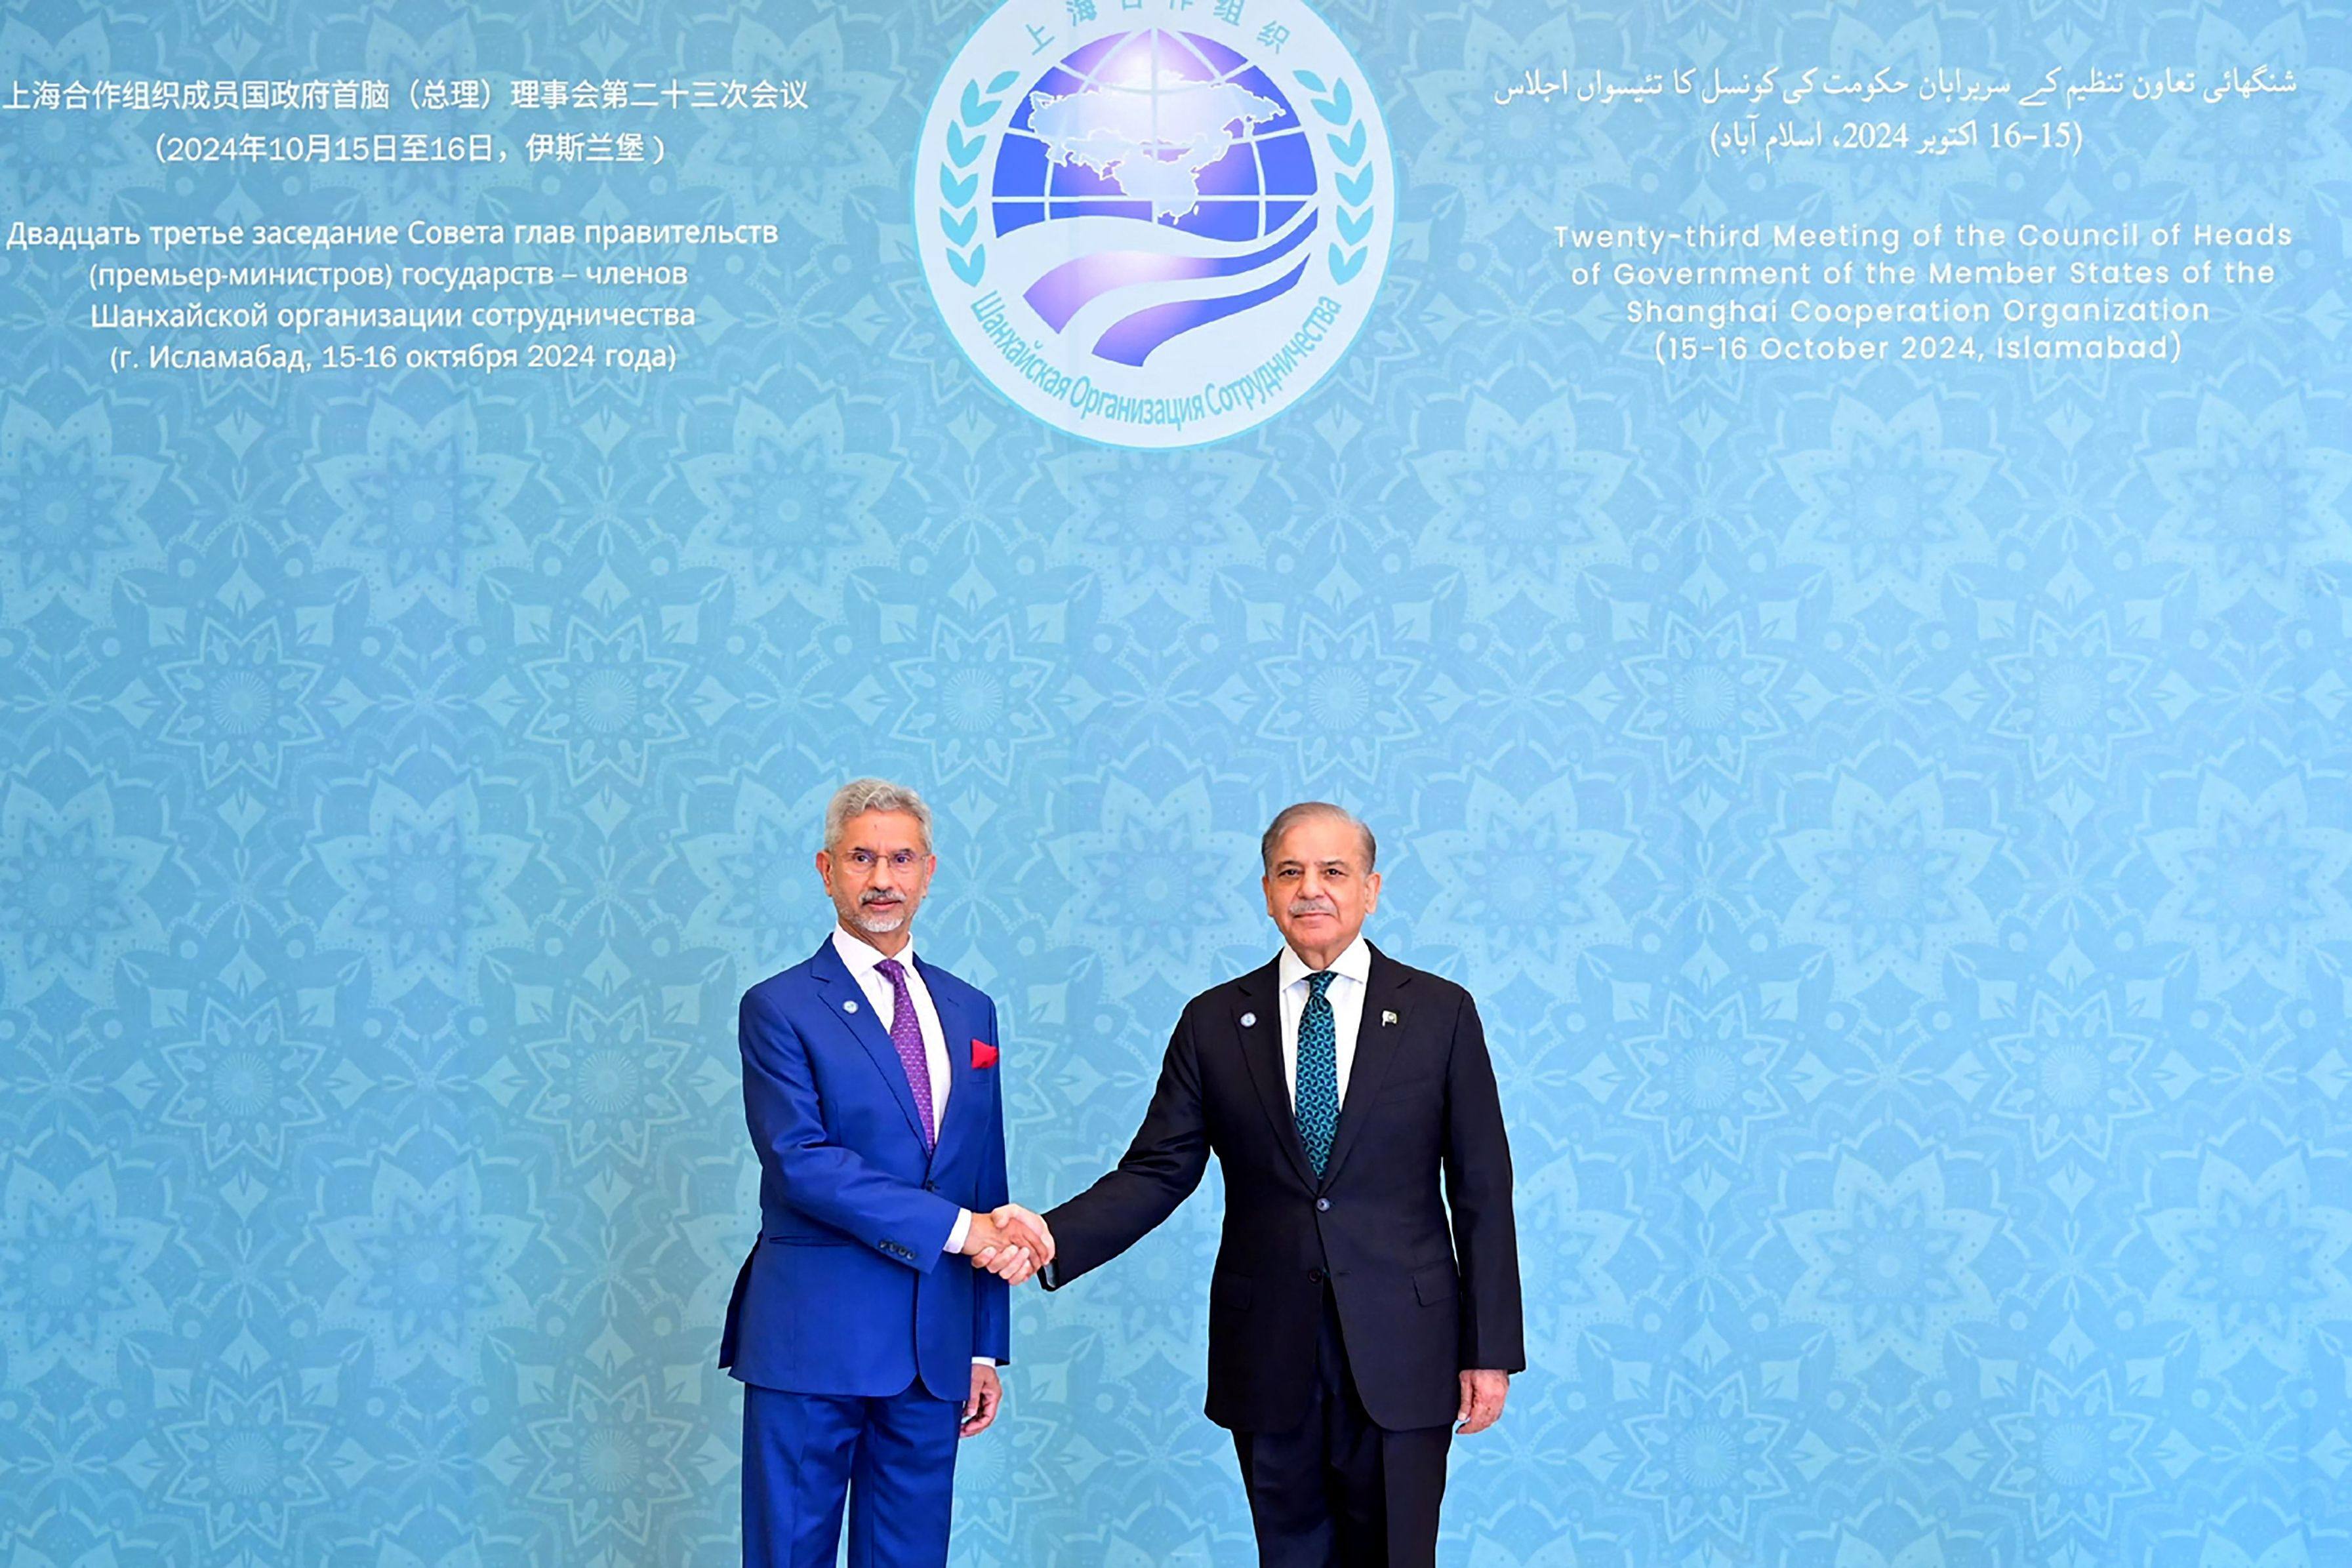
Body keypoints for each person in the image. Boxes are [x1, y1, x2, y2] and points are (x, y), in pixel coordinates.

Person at [1040, 801, 1524, 1567]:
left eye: (1333, 871)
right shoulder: (1211, 1022)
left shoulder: (1439, 1013)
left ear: (1371, 888)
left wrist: (1489, 1349)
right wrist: (1047, 1236)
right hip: (1269, 1350)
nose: (1312, 890)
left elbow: (1481, 1190)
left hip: (1407, 1347)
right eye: (1290, 871)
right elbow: (1159, 1170)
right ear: (1265, 889)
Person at [719, 777, 1055, 1566]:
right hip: (812, 1341)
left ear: (929, 871)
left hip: (933, 1351)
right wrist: (962, 1232)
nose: (882, 879)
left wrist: (981, 1346)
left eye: (900, 859)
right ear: (826, 868)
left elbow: (982, 1171)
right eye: (861, 858)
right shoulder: (779, 1007)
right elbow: (802, 1164)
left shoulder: (971, 1009)